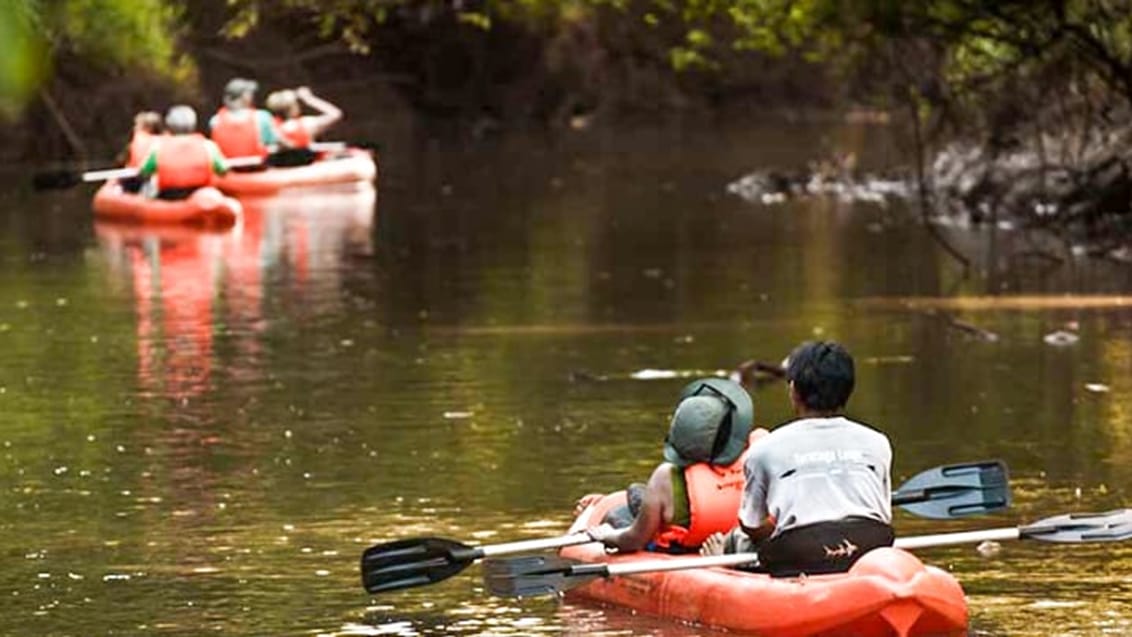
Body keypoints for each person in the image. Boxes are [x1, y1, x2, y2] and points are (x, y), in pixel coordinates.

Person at [703, 340, 893, 578]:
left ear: (793, 390)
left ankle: (722, 562)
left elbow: (751, 525)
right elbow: (884, 515)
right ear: (848, 390)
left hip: (800, 555)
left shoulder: (764, 450)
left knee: (738, 539)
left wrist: (776, 528)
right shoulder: (878, 442)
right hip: (870, 547)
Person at [579, 378, 767, 554]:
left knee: (617, 514)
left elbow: (635, 540)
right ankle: (626, 498)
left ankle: (617, 506)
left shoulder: (665, 477)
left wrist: (605, 536)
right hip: (734, 536)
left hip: (683, 546)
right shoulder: (760, 452)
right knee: (635, 492)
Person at [136, 105, 228, 200]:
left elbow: (144, 172)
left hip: (169, 199)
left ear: (169, 125)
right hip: (200, 199)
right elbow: (223, 170)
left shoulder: (158, 146)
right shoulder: (208, 145)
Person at [208, 77, 287, 161]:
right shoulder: (261, 117)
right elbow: (280, 143)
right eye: (250, 93)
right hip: (258, 169)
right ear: (245, 96)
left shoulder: (215, 121)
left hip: (228, 171)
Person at [264, 86, 342, 149]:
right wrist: (309, 99)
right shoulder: (307, 123)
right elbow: (335, 114)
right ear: (293, 108)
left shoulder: (271, 128)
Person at [117, 111, 163, 193]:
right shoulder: (165, 142)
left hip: (139, 181)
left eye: (137, 125)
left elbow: (121, 161)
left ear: (148, 128)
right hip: (152, 180)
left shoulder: (137, 143)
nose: (134, 128)